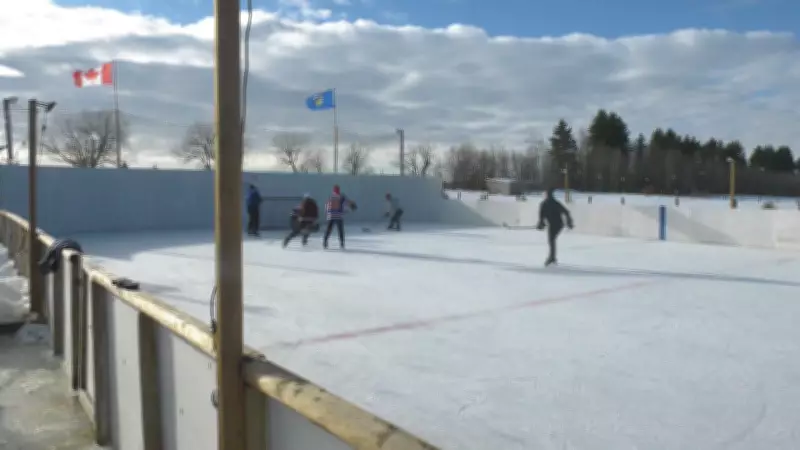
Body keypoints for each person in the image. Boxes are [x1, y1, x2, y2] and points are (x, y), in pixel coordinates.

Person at [536, 188, 573, 266]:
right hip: (557, 224)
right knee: (551, 240)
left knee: (551, 240)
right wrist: (541, 223)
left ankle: (552, 258)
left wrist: (569, 222)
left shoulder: (547, 204)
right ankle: (552, 257)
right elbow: (541, 216)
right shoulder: (552, 203)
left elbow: (566, 212)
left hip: (557, 224)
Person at [323, 184, 356, 249]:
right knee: (340, 230)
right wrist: (351, 208)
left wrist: (327, 214)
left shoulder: (330, 197)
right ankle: (342, 243)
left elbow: (326, 206)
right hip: (338, 216)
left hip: (330, 216)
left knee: (328, 230)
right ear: (339, 190)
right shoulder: (341, 196)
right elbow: (347, 204)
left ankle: (325, 242)